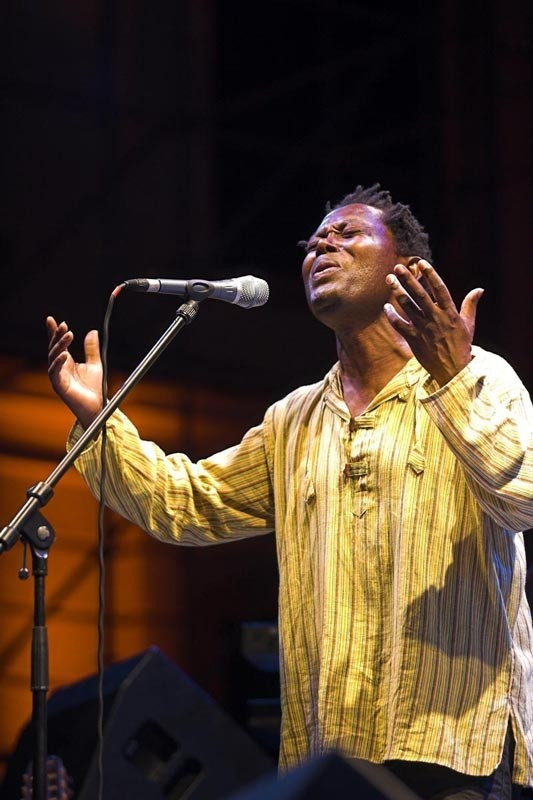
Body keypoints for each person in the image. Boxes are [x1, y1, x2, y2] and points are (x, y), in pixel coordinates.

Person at [47, 184, 533, 800]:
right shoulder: (292, 421)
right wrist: (98, 421)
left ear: (407, 269)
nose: (322, 245)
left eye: (347, 234)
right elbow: (186, 504)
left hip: (453, 752)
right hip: (330, 763)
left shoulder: (480, 376)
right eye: (314, 241)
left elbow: (521, 498)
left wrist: (452, 378)